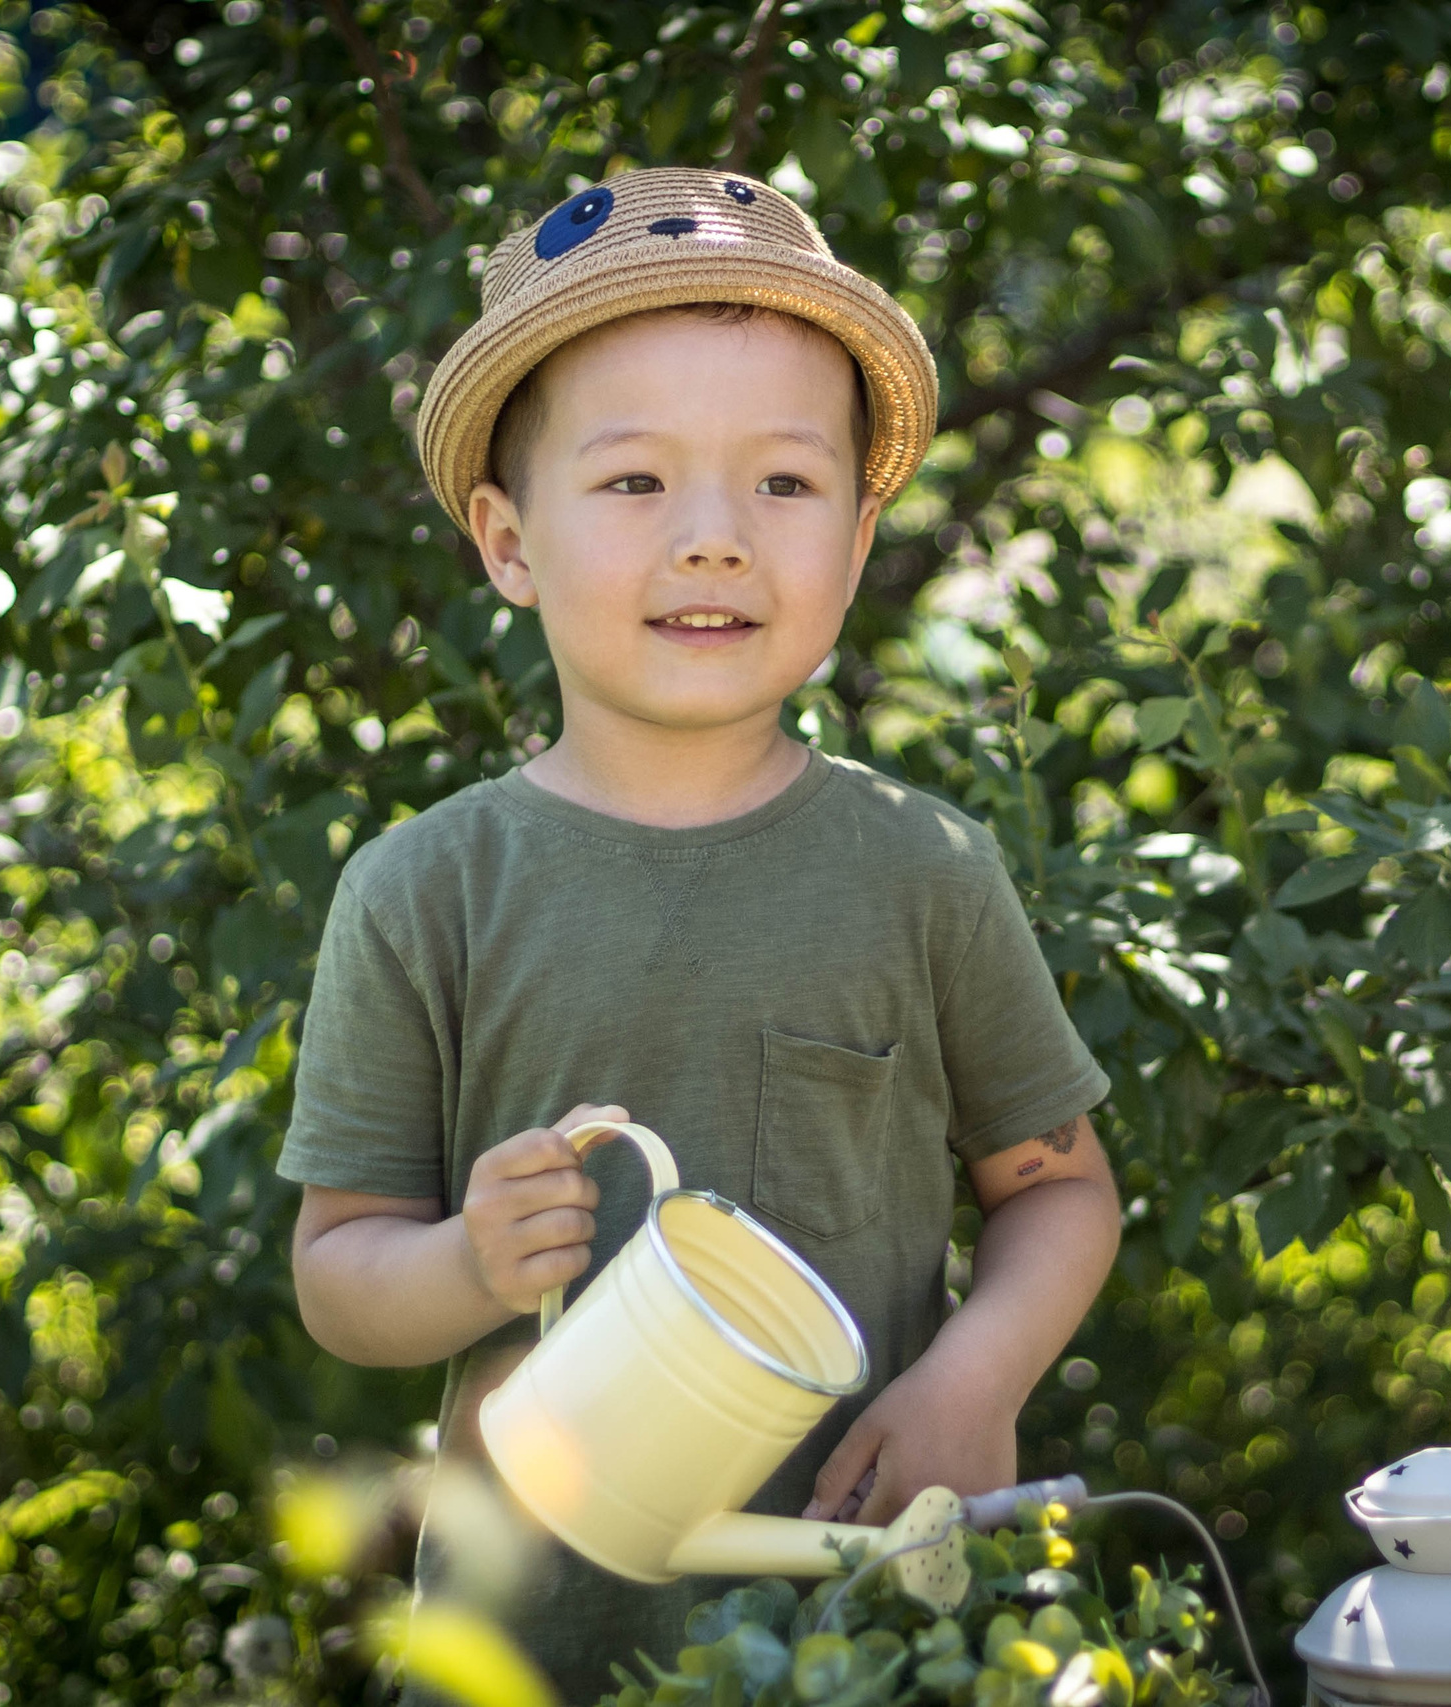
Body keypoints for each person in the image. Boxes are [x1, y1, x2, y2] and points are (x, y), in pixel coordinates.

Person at [276, 166, 1122, 1704]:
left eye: (785, 485)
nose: (717, 538)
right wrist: (467, 1260)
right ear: (508, 540)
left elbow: (1060, 1193)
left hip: (876, 1632)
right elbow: (340, 1270)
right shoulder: (423, 890)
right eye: (636, 482)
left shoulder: (921, 867)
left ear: (860, 540)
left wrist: (971, 1381)